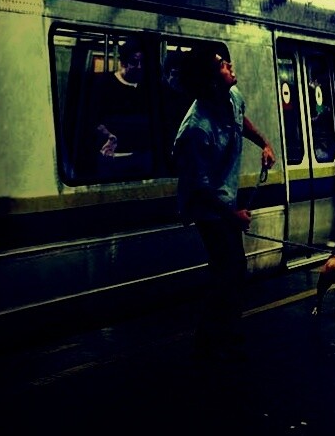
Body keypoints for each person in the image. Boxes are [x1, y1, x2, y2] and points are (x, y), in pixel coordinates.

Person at [173, 42, 277, 362]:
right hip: (208, 209)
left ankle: (227, 331)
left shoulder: (231, 96)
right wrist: (233, 215)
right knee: (226, 271)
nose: (229, 65)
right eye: (221, 64)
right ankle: (209, 341)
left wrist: (264, 143)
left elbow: (240, 118)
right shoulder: (195, 130)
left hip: (227, 201)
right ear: (210, 81)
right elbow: (199, 187)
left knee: (235, 268)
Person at [85, 35, 152, 178]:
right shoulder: (104, 84)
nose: (139, 67)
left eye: (142, 62)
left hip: (141, 157)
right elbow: (93, 119)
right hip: (114, 158)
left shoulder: (147, 88)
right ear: (123, 63)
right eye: (134, 62)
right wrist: (108, 136)